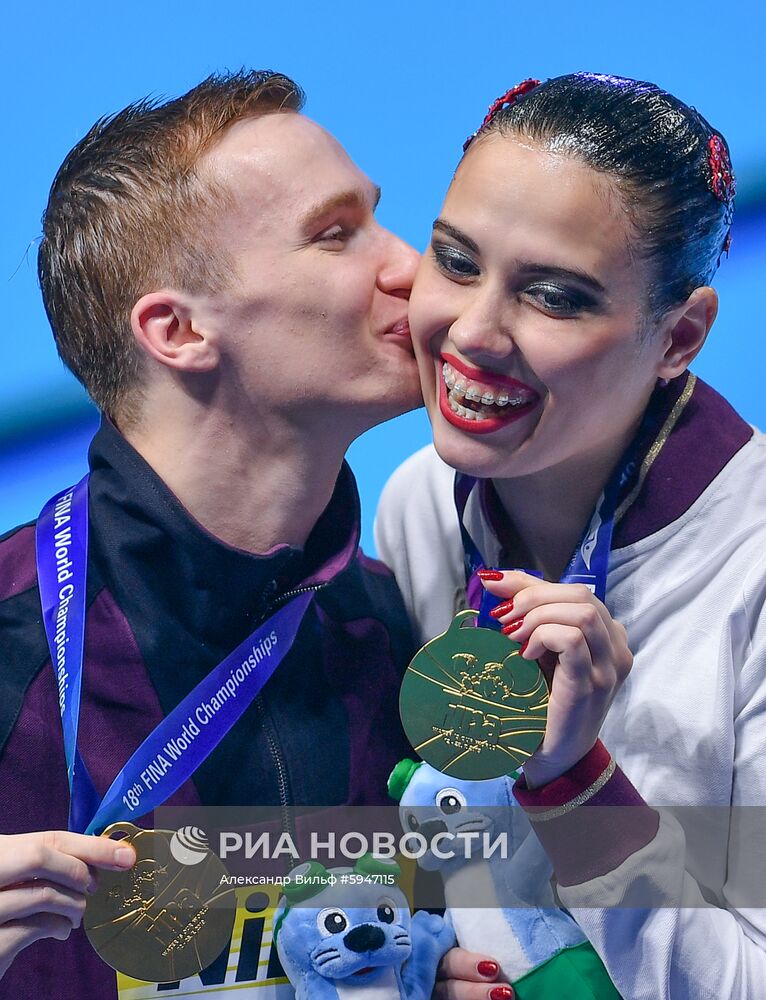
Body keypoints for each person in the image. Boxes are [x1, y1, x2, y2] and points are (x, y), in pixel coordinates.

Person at [0, 70, 424, 996]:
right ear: (179, 329)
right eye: (337, 233)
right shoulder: (10, 641)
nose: (410, 266)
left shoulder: (402, 630)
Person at [376, 72, 766, 998]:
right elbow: (440, 862)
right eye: (456, 261)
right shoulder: (420, 503)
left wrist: (575, 783)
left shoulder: (751, 570)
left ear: (679, 338)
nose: (475, 332)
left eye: (554, 296)